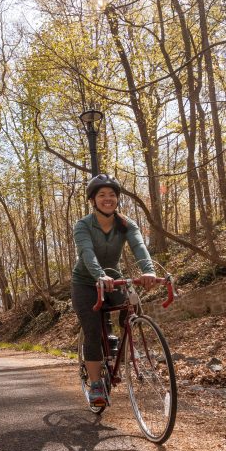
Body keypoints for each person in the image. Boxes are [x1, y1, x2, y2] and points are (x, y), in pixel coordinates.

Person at [72, 174, 158, 407]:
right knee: (92, 331)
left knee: (133, 305)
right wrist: (100, 275)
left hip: (114, 277)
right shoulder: (83, 225)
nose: (107, 199)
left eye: (112, 195)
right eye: (102, 195)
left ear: (117, 199)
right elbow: (87, 253)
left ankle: (121, 350)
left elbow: (139, 246)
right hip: (85, 282)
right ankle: (96, 384)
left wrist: (148, 271)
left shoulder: (126, 224)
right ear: (93, 200)